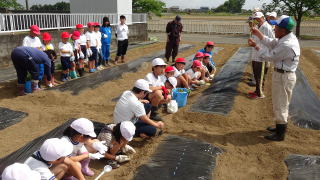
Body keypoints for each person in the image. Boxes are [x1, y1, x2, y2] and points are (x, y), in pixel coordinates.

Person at [248, 15, 300, 141]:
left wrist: (256, 46)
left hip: (284, 76)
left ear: (283, 30)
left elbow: (269, 56)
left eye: (276, 26)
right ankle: (279, 126)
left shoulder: (287, 44)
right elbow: (271, 42)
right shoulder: (284, 37)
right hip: (282, 75)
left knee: (281, 104)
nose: (274, 28)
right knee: (279, 102)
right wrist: (258, 33)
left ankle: (280, 133)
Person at [248, 12, 275, 99]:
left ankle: (260, 94)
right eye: (256, 18)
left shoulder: (267, 27)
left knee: (260, 75)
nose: (257, 19)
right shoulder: (256, 27)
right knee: (256, 75)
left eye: (259, 18)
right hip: (256, 53)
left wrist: (268, 54)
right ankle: (257, 91)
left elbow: (272, 41)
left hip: (262, 56)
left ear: (263, 17)